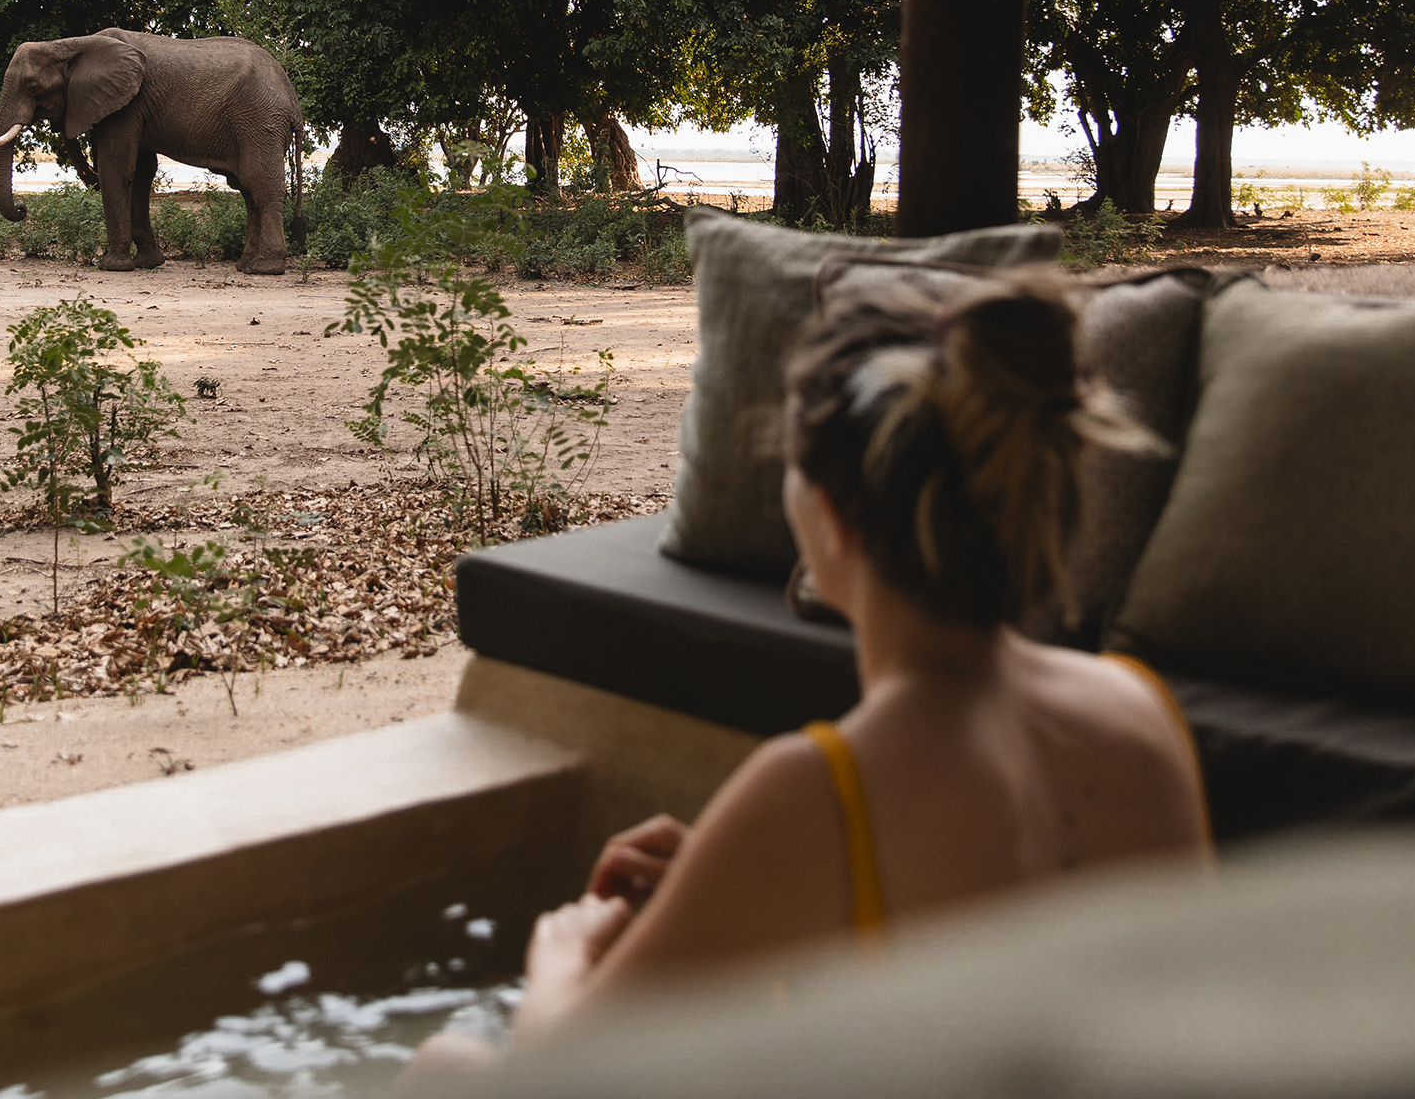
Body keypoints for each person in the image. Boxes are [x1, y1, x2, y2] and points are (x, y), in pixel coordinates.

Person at [512, 276, 1212, 1043]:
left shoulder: (819, 790)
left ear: (833, 520)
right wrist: (733, 883)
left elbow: (556, 1071)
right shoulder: (1140, 708)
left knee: (449, 1064)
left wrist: (561, 955)